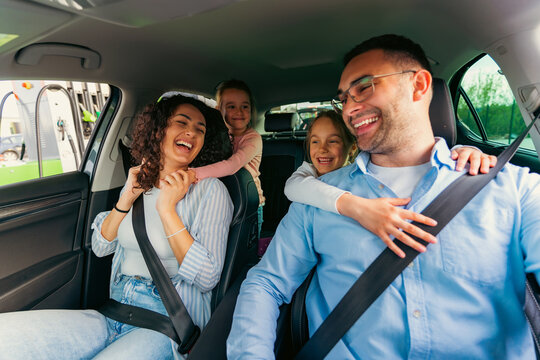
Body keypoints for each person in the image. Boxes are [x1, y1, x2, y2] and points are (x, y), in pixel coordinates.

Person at [227, 34, 540, 359]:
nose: (349, 108)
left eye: (364, 87)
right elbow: (265, 284)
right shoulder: (317, 201)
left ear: (419, 85)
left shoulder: (510, 189)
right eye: (343, 98)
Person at [0, 94, 234, 360]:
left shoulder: (210, 192)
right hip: (115, 308)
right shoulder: (137, 181)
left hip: (167, 321)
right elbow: (101, 247)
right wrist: (126, 199)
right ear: (159, 130)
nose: (191, 133)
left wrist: (168, 210)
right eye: (182, 122)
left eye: (199, 130)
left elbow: (208, 277)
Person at [284, 110, 497, 257]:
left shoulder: (371, 175)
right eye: (315, 141)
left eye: (333, 141)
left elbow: (429, 160)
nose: (322, 149)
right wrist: (356, 207)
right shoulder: (308, 173)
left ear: (351, 148)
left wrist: (463, 151)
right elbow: (292, 186)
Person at [190, 79, 265, 236]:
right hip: (222, 199)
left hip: (248, 203)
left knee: (243, 250)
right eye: (231, 107)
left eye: (245, 106)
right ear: (219, 110)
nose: (239, 111)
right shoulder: (219, 136)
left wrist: (192, 174)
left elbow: (232, 165)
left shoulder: (253, 138)